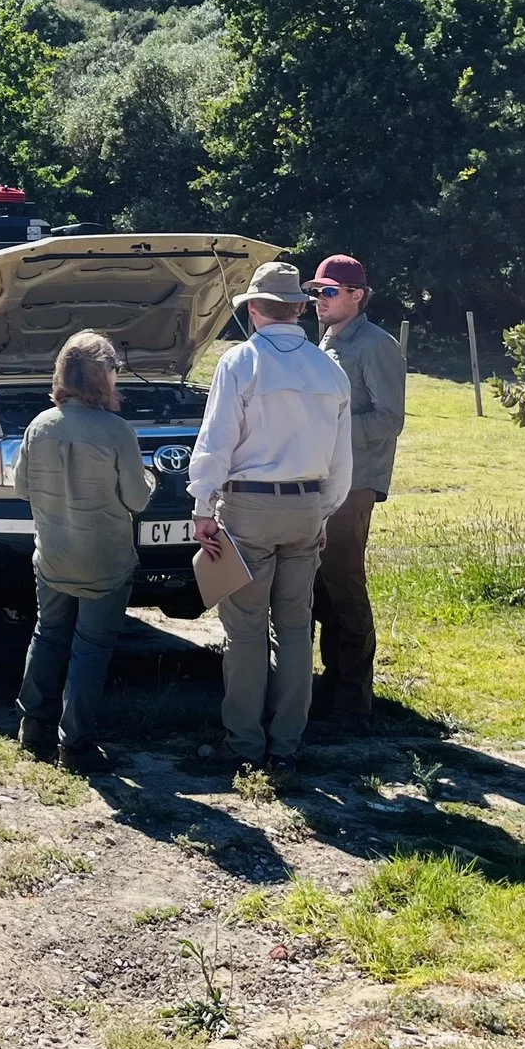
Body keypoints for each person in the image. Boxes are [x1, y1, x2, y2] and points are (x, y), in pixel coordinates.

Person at [186, 261, 351, 772]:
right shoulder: (330, 369)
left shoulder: (240, 362)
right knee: (297, 626)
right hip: (306, 507)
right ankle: (286, 742)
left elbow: (216, 443)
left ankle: (243, 742)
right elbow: (342, 458)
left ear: (254, 308)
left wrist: (202, 506)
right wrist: (323, 513)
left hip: (249, 506)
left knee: (246, 628)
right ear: (300, 309)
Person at [12, 330, 151, 772]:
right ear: (104, 376)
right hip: (105, 560)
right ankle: (76, 745)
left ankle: (33, 727)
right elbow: (137, 499)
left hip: (51, 554)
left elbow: (20, 487)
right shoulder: (117, 431)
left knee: (48, 634)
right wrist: (150, 479)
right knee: (90, 648)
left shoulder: (38, 425)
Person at [307, 254, 405, 722]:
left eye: (328, 292)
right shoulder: (327, 341)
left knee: (344, 584)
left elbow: (390, 419)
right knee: (319, 585)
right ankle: (331, 686)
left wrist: (328, 427)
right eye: (316, 292)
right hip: (323, 481)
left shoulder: (376, 345)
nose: (318, 300)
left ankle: (352, 701)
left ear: (356, 296)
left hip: (355, 483)